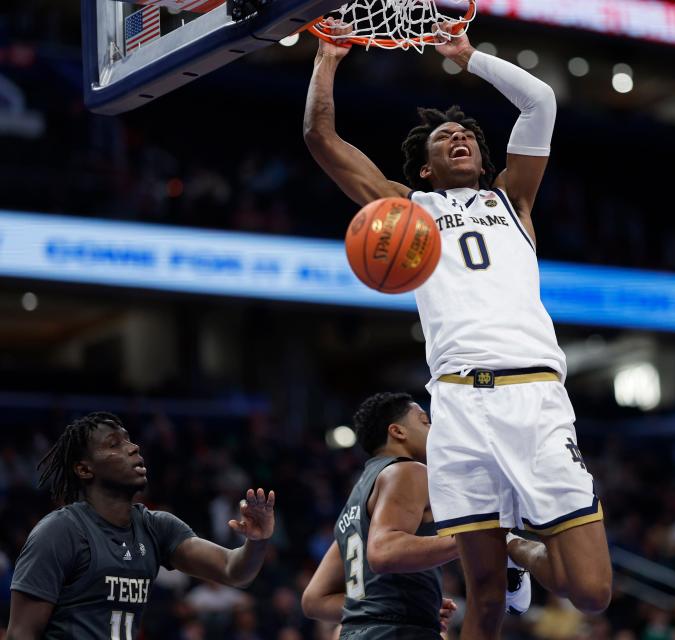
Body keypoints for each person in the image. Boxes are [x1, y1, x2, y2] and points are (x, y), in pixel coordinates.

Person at [303, 19, 611, 639]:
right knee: (487, 601)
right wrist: (329, 59)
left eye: (467, 133)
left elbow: (541, 100)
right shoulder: (405, 211)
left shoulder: (513, 201)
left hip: (535, 398)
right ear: (424, 169)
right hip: (458, 405)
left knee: (593, 593)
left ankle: (522, 545)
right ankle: (507, 557)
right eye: (444, 137)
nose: (458, 136)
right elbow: (320, 137)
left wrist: (469, 58)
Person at [7, 411, 276, 639]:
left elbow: (234, 571)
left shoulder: (157, 527)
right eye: (114, 444)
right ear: (84, 469)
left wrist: (257, 541)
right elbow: (20, 634)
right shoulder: (59, 531)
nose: (133, 447)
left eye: (129, 440)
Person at [301, 392, 458, 638]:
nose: (433, 429)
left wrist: (408, 606)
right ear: (398, 432)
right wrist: (470, 538)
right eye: (425, 421)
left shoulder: (356, 500)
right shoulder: (407, 471)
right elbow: (384, 553)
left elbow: (314, 600)